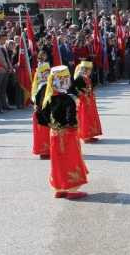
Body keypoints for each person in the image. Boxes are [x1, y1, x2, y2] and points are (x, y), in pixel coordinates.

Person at [37, 66, 89, 199]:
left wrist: (52, 125)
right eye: (65, 78)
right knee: (70, 159)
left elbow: (41, 116)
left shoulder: (48, 97)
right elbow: (70, 119)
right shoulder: (67, 100)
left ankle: (59, 188)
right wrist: (71, 124)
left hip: (54, 134)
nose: (67, 80)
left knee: (57, 160)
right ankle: (72, 190)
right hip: (68, 134)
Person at [71, 61, 102, 143]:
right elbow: (71, 88)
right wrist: (80, 94)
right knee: (85, 118)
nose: (90, 71)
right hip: (84, 102)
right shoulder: (79, 78)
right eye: (89, 70)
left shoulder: (87, 77)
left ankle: (90, 134)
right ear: (85, 70)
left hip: (90, 101)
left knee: (91, 118)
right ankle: (85, 136)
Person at [31, 61, 51, 159]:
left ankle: (48, 151)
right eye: (44, 73)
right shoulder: (42, 86)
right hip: (42, 113)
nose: (47, 74)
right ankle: (44, 152)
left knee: (47, 133)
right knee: (42, 134)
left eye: (48, 72)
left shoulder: (48, 84)